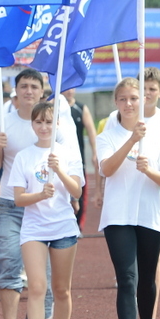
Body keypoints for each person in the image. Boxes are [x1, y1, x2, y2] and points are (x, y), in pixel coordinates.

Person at [98, 77, 160, 319]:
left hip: (149, 215)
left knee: (145, 279)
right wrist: (131, 140)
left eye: (133, 98)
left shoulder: (157, 135)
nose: (129, 104)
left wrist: (151, 171)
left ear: (142, 100)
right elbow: (106, 169)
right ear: (115, 102)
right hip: (118, 216)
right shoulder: (107, 134)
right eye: (123, 99)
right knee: (127, 278)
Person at [0, 69, 58, 319]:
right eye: (23, 86)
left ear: (42, 91)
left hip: (45, 206)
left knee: (45, 270)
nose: (28, 91)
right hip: (11, 203)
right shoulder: (4, 123)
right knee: (8, 259)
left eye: (33, 86)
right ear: (15, 91)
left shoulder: (53, 124)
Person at [8, 102, 84, 319]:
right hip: (34, 229)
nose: (44, 127)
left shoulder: (68, 154)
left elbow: (77, 191)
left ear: (57, 125)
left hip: (63, 227)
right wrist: (40, 194)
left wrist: (60, 169)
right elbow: (18, 199)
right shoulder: (24, 156)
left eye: (49, 122)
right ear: (32, 124)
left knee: (61, 289)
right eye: (39, 122)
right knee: (37, 287)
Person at [62, 88, 99, 228]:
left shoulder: (81, 108)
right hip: (59, 159)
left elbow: (91, 130)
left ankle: (78, 225)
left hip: (78, 159)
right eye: (67, 88)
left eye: (72, 88)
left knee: (80, 192)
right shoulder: (54, 107)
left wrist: (95, 152)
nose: (70, 91)